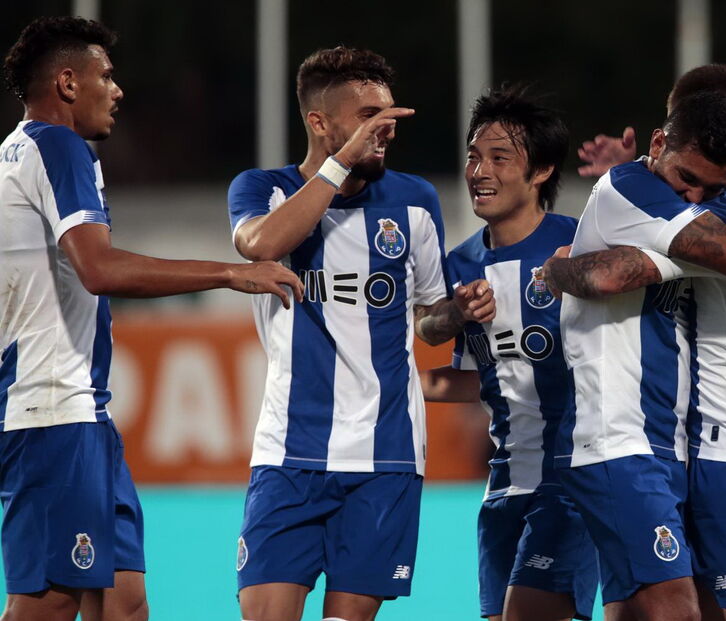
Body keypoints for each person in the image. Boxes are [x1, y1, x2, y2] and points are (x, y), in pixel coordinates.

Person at [0, 16, 304, 621]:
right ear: (66, 83)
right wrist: (230, 273)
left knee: (124, 603)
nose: (116, 90)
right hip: (52, 409)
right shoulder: (56, 146)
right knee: (49, 605)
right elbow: (100, 268)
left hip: (79, 410)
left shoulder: (17, 152)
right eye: (104, 76)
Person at [545, 64, 726, 621]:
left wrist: (557, 269)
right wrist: (622, 186)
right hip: (684, 446)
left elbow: (613, 274)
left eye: (703, 184)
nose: (691, 193)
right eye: (684, 179)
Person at [227, 46, 492, 621]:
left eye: (390, 114)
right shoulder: (263, 189)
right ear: (320, 123)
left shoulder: (414, 201)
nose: (386, 128)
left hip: (386, 455)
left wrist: (458, 312)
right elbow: (260, 246)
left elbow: (426, 319)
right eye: (369, 116)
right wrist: (339, 165)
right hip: (288, 451)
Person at [419, 86, 599, 621]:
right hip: (502, 487)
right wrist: (393, 381)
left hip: (571, 478)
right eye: (475, 156)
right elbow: (485, 377)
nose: (480, 170)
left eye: (500, 158)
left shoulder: (583, 246)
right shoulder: (460, 265)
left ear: (540, 171)